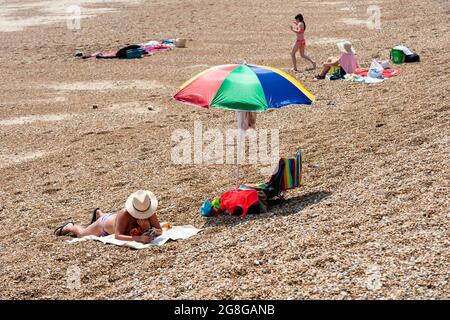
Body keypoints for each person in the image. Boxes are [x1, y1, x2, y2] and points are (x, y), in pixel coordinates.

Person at [54, 190, 162, 244]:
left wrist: (150, 230)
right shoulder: (124, 214)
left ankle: (99, 213)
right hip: (104, 225)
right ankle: (70, 226)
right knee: (81, 234)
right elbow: (118, 235)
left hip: (114, 220)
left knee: (115, 219)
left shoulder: (149, 212)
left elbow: (159, 230)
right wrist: (138, 238)